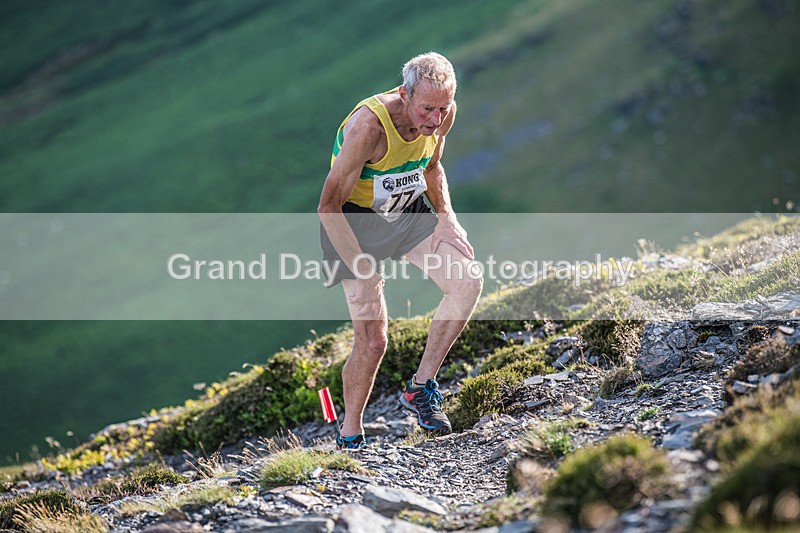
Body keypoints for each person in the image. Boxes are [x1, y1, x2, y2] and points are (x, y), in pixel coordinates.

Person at [318, 52, 482, 449]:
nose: (435, 119)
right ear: (404, 95)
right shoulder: (368, 127)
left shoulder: (444, 113)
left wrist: (446, 216)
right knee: (373, 340)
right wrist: (359, 264)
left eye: (443, 108)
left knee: (467, 282)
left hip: (405, 207)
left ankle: (421, 388)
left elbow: (431, 168)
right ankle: (350, 432)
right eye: (427, 108)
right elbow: (328, 206)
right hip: (352, 221)